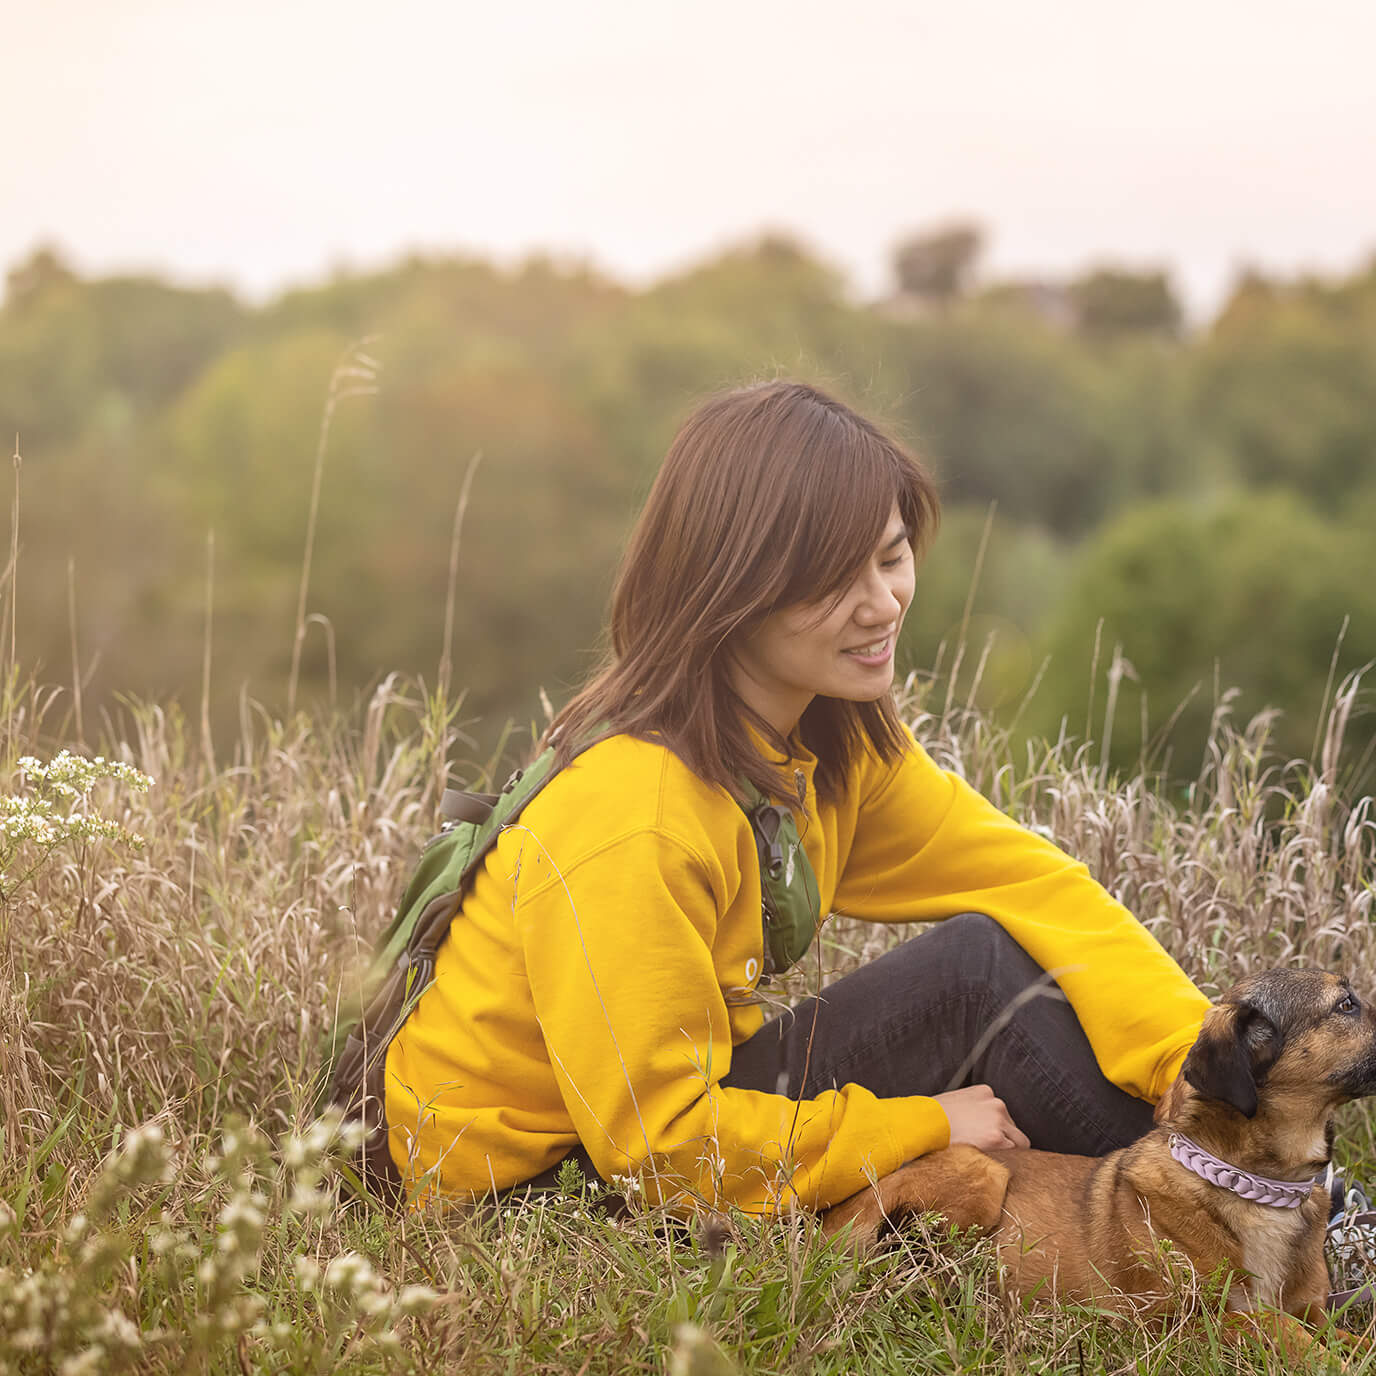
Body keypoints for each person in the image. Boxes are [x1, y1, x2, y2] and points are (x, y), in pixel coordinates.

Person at [379, 380, 1209, 1214]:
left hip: (655, 1125)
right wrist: (921, 1123)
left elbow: (1030, 884)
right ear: (729, 589)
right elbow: (656, 1147)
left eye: (890, 557)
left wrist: (1200, 1059)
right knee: (974, 976)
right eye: (833, 582)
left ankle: (1283, 1215)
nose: (883, 604)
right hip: (531, 1196)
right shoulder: (637, 813)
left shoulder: (828, 743)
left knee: (1003, 954)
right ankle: (1262, 1232)